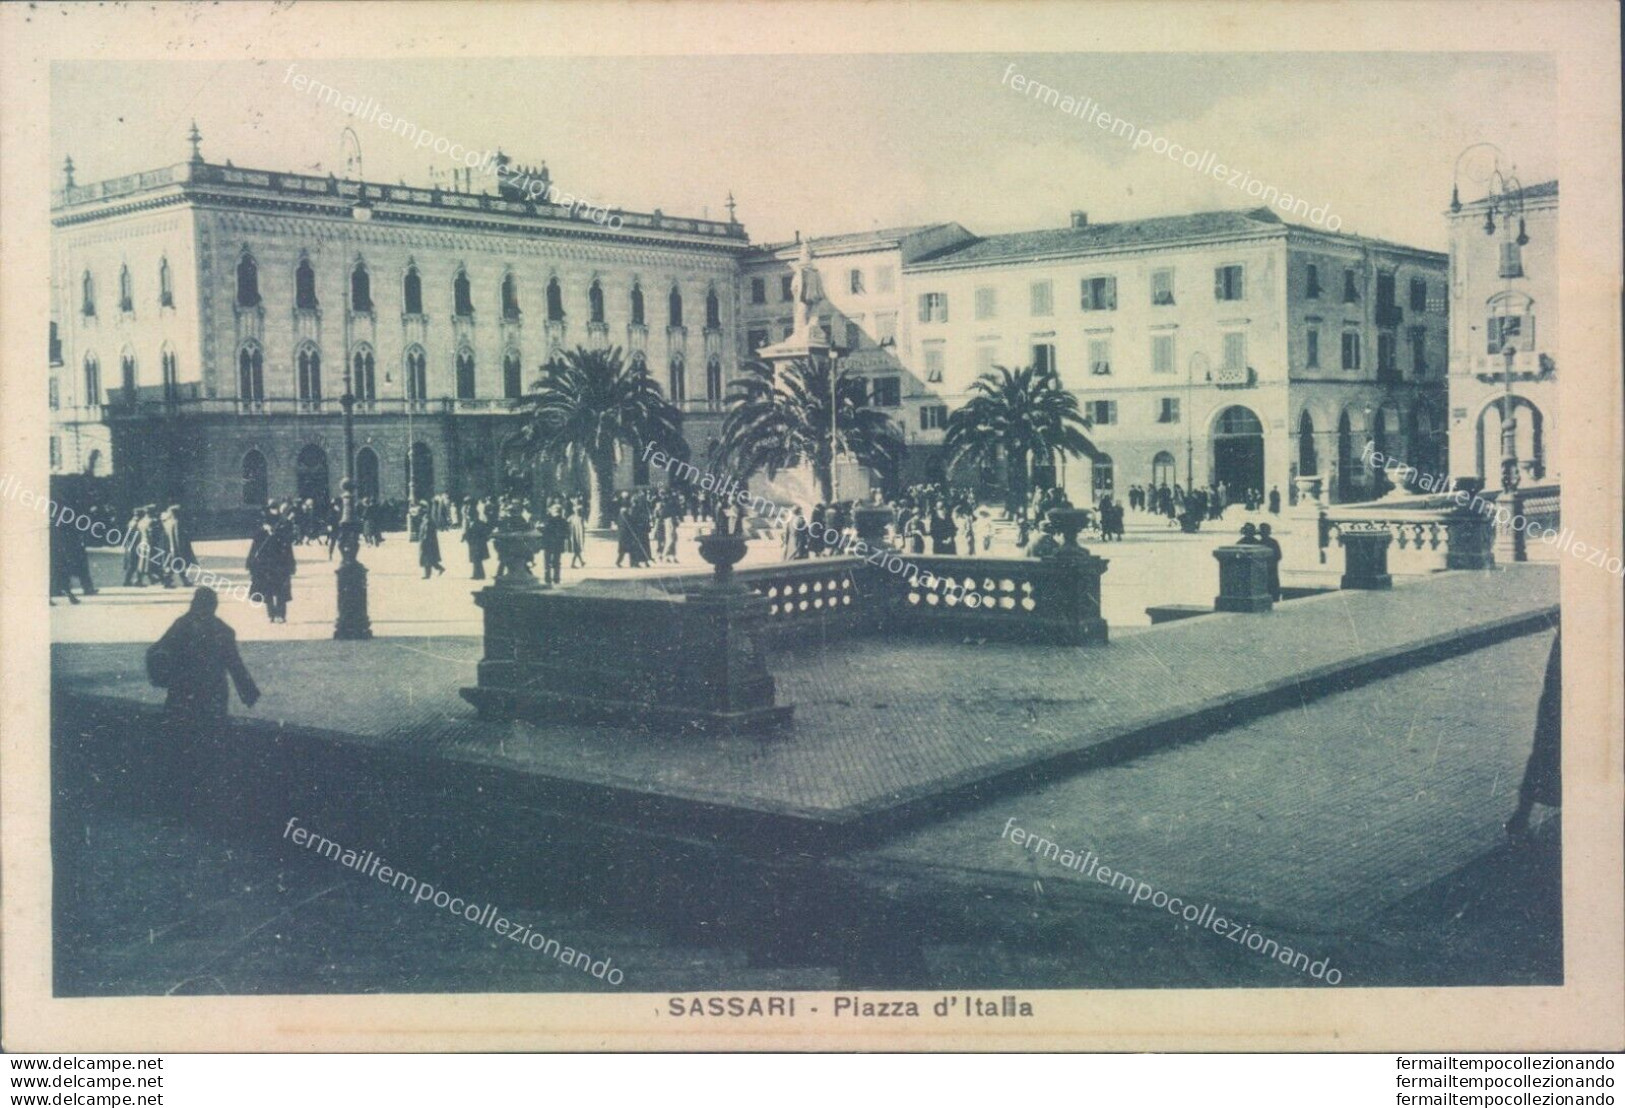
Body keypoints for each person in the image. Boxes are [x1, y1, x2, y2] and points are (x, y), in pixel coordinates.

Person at [1507, 632, 1561, 840]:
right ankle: (1521, 815)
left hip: (1556, 703)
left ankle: (1521, 815)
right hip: (1562, 703)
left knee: (1542, 755)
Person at [246, 511, 296, 622]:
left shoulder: (282, 532)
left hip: (279, 566)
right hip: (267, 567)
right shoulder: (261, 534)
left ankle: (280, 615)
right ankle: (272, 615)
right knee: (268, 592)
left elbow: (288, 549)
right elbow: (254, 549)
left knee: (281, 592)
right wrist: (250, 563)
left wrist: (291, 564)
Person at [539, 502, 570, 586]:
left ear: (553, 511)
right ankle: (556, 578)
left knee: (547, 562)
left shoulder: (549, 521)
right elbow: (567, 533)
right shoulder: (564, 521)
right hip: (558, 544)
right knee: (557, 561)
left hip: (548, 544)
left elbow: (544, 531)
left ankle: (547, 578)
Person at [1256, 522, 1283, 601]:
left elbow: (1278, 556)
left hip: (1271, 569)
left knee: (1272, 586)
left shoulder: (1273, 542)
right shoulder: (1259, 543)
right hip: (1265, 570)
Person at [463, 508, 491, 580]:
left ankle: (478, 575)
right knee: (476, 560)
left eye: (470, 516)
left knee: (477, 560)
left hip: (478, 544)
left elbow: (486, 533)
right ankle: (479, 574)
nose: (469, 517)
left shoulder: (479, 523)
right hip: (474, 544)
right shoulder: (472, 523)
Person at [418, 504, 445, 578]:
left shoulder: (427, 521)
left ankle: (427, 575)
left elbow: (426, 532)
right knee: (431, 559)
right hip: (430, 542)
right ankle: (440, 569)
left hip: (427, 542)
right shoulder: (427, 519)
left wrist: (424, 541)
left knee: (427, 558)